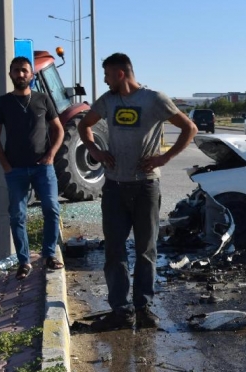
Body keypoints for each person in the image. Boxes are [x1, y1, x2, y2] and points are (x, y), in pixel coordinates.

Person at [79, 53, 197, 330]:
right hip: (114, 188)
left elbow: (189, 128)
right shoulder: (107, 101)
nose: (105, 80)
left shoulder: (154, 99)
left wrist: (163, 158)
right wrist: (95, 150)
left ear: (120, 73)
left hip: (146, 186)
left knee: (146, 250)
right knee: (115, 250)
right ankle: (121, 311)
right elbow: (84, 125)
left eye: (107, 74)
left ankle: (144, 309)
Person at [0, 56, 65, 280]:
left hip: (43, 168)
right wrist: (5, 165)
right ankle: (24, 262)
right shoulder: (2, 103)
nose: (20, 74)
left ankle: (49, 255)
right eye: (16, 71)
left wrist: (51, 155)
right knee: (17, 215)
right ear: (11, 74)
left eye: (24, 71)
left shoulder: (42, 99)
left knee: (51, 209)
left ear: (31, 75)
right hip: (16, 171)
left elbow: (58, 129)